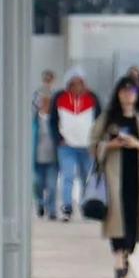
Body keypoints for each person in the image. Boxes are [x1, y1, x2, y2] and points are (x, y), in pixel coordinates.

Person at [93, 75, 139, 278]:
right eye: (123, 90)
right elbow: (94, 145)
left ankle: (126, 254)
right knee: (116, 219)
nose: (127, 95)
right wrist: (111, 145)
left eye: (131, 91)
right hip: (114, 177)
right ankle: (119, 260)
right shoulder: (107, 119)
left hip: (136, 178)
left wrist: (136, 145)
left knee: (133, 219)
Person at [52, 70, 99, 223]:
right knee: (68, 176)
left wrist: (96, 142)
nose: (78, 87)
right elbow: (53, 120)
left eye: (80, 83)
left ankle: (86, 206)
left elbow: (99, 120)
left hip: (87, 146)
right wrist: (59, 138)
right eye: (74, 84)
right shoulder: (60, 98)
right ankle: (67, 207)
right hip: (67, 146)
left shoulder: (92, 99)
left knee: (86, 177)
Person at [32, 70, 59, 219]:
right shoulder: (36, 120)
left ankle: (52, 209)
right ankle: (40, 204)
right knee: (38, 184)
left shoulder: (55, 120)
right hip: (38, 157)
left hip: (53, 157)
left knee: (52, 186)